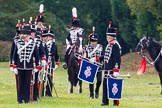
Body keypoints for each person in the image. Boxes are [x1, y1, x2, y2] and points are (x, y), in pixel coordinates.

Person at [11, 25, 41, 104]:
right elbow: (14, 55)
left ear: (28, 35)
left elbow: (37, 56)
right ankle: (20, 99)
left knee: (27, 84)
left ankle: (27, 99)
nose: (22, 37)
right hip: (20, 67)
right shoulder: (18, 43)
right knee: (20, 84)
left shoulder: (33, 44)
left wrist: (38, 66)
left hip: (29, 67)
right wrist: (14, 66)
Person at [99, 26, 121, 106]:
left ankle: (115, 102)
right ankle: (105, 101)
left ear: (110, 37)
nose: (106, 38)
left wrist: (116, 70)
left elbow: (117, 59)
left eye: (107, 36)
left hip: (112, 69)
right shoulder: (109, 45)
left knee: (113, 85)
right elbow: (105, 56)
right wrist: (96, 58)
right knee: (105, 84)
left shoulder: (115, 45)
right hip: (106, 68)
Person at [42, 26, 60, 97]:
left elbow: (56, 55)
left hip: (50, 64)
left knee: (49, 79)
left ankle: (48, 93)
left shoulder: (54, 45)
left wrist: (57, 63)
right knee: (42, 79)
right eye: (48, 36)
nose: (49, 38)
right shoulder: (42, 44)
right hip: (43, 63)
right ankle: (41, 92)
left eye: (50, 37)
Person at [85, 29, 103, 99]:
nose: (93, 43)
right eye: (92, 41)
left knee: (99, 80)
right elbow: (85, 57)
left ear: (97, 41)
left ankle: (97, 90)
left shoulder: (100, 47)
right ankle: (91, 94)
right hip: (90, 66)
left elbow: (103, 56)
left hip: (98, 66)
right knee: (91, 81)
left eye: (94, 41)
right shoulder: (87, 47)